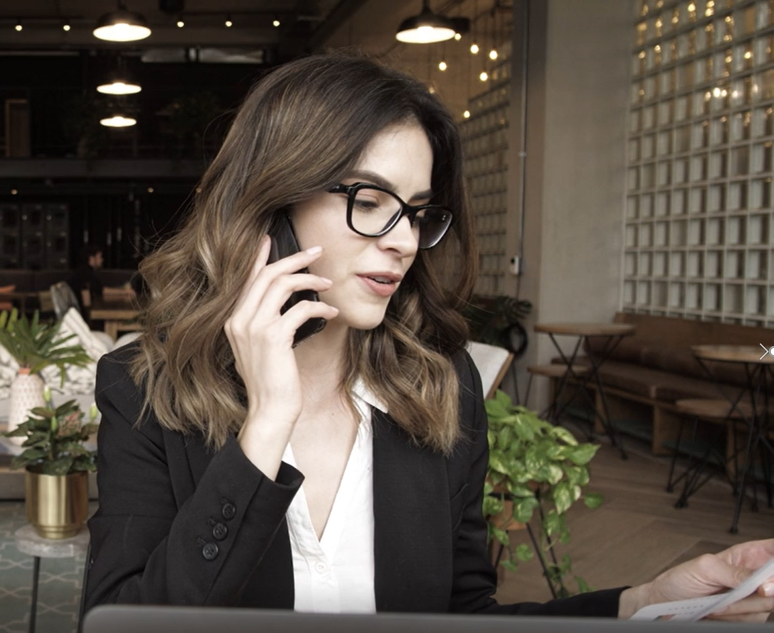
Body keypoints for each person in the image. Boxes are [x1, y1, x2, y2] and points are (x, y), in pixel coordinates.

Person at [81, 53, 774, 621]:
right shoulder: (143, 389)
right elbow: (125, 619)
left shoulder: (439, 386)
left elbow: (461, 615)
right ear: (271, 201)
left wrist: (642, 602)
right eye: (372, 202)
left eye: (416, 212)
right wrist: (263, 431)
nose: (405, 241)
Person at [69, 244, 136, 313]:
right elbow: (102, 291)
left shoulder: (85, 271)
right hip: (79, 312)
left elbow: (100, 289)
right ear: (91, 259)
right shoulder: (85, 273)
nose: (102, 260)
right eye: (100, 257)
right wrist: (125, 292)